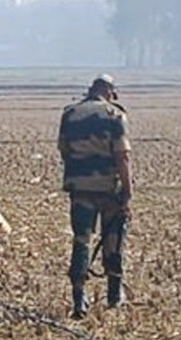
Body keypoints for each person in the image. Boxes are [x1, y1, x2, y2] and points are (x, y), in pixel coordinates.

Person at [58, 73, 133, 317]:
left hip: (80, 189)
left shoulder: (70, 113)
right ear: (109, 91)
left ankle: (79, 297)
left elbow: (64, 150)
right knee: (113, 238)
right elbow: (122, 156)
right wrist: (127, 190)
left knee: (82, 241)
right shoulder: (115, 115)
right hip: (109, 189)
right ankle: (114, 294)